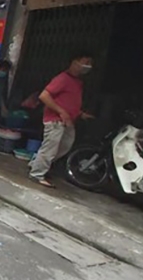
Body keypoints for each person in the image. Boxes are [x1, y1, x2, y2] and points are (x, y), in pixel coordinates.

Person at [29, 51, 94, 188]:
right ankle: (37, 173)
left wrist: (80, 113)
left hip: (68, 120)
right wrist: (61, 111)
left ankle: (37, 163)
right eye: (86, 62)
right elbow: (44, 96)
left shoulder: (77, 82)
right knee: (50, 148)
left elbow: (69, 100)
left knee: (64, 146)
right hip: (55, 120)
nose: (88, 66)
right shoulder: (63, 79)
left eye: (90, 63)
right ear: (75, 62)